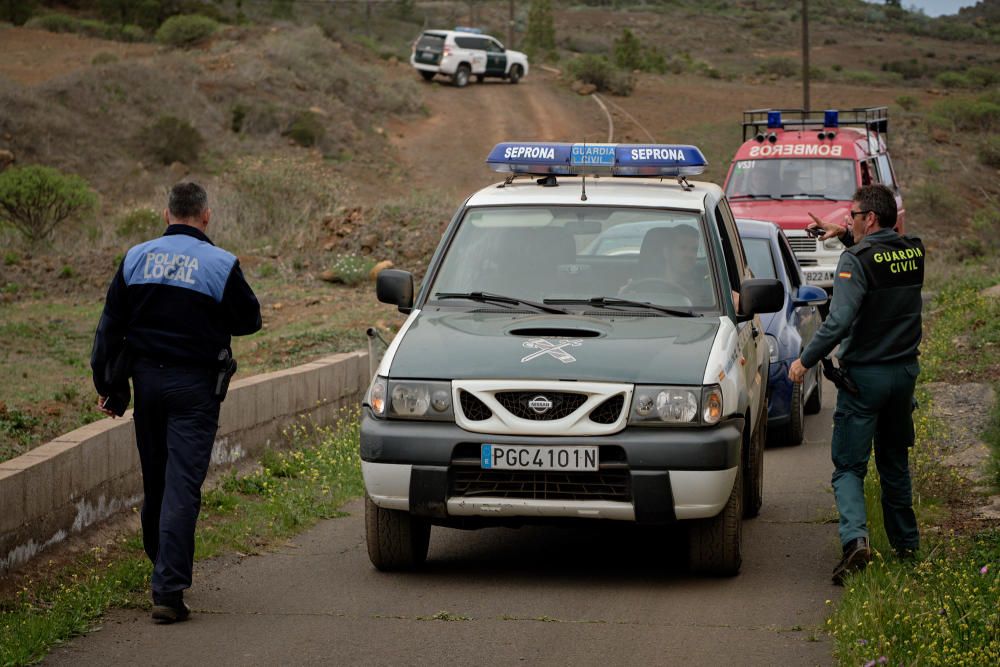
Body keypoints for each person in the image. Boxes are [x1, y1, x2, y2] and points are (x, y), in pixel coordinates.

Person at [91, 182, 262, 622]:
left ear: (166, 215)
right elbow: (249, 320)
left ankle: (161, 565)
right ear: (206, 216)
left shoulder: (136, 258)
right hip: (194, 388)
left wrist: (107, 384)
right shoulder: (221, 263)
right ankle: (167, 591)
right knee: (182, 487)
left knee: (158, 483)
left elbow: (109, 328)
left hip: (147, 384)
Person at [789, 184, 924, 585]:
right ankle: (907, 548)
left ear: (872, 218)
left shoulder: (854, 261)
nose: (849, 220)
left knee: (848, 466)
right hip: (903, 376)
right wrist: (845, 233)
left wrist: (804, 360)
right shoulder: (914, 251)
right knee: (894, 461)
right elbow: (884, 253)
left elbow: (839, 320)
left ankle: (855, 543)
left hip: (864, 378)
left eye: (854, 216)